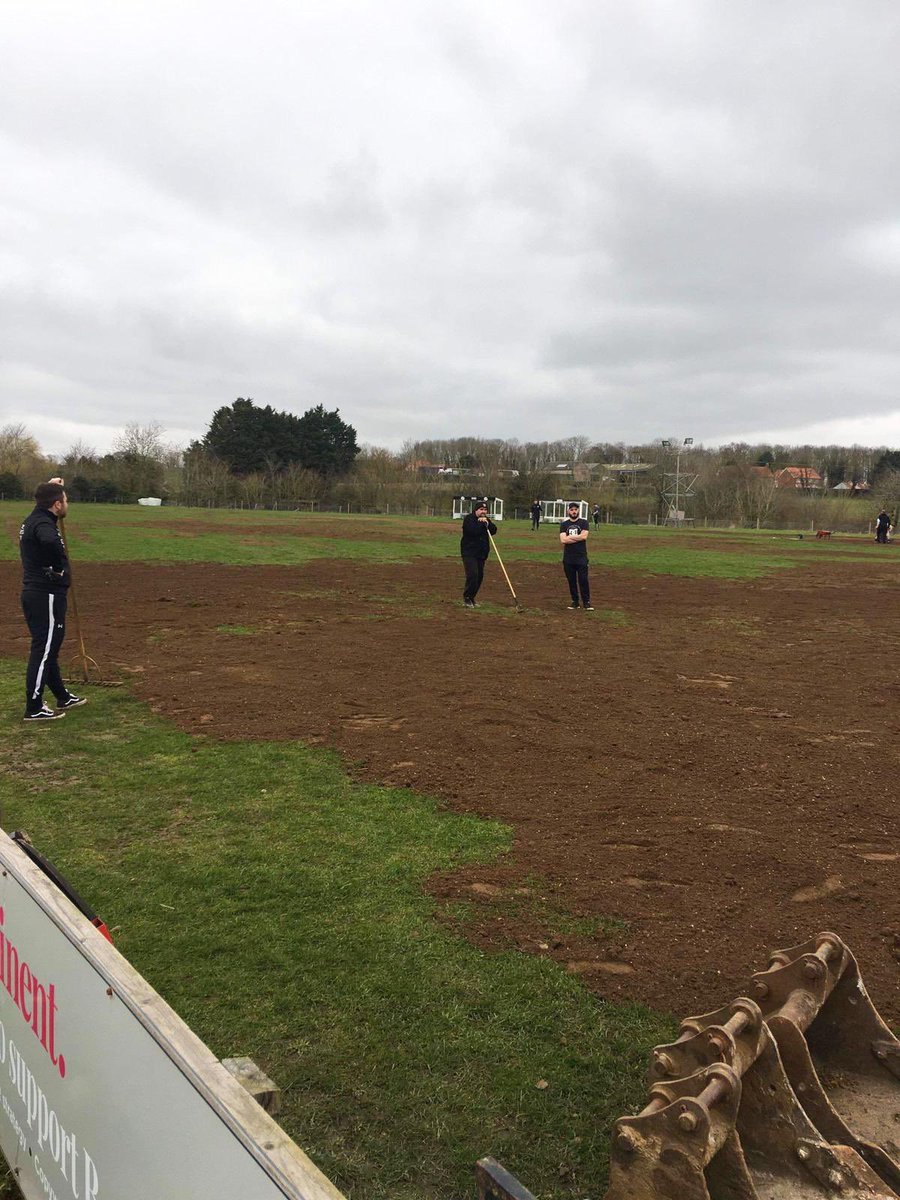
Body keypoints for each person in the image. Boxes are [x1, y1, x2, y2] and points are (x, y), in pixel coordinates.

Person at [20, 479, 87, 720]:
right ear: (57, 505)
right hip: (45, 594)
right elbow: (49, 541)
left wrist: (49, 484)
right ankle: (34, 706)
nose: (67, 504)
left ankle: (62, 696)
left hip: (37, 593)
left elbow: (43, 502)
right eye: (65, 500)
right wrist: (58, 567)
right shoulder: (43, 525)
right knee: (44, 649)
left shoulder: (35, 518)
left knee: (49, 648)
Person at [460, 499, 497, 608]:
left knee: (480, 576)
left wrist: (487, 523)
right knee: (473, 575)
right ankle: (467, 597)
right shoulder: (469, 519)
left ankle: (472, 597)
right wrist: (481, 524)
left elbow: (494, 530)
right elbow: (472, 531)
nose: (483, 512)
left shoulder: (486, 520)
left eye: (485, 510)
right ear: (476, 510)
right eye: (481, 509)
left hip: (481, 553)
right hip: (469, 552)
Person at [560, 501, 592, 610]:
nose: (574, 511)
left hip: (581, 557)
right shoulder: (564, 524)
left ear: (578, 510)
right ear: (568, 511)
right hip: (568, 558)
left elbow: (584, 537)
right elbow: (563, 540)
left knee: (583, 580)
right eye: (572, 509)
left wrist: (569, 538)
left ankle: (586, 602)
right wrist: (577, 537)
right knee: (571, 581)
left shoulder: (584, 522)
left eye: (575, 509)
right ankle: (575, 601)